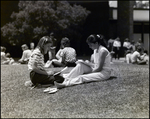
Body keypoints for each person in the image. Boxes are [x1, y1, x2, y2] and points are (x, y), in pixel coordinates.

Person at [46, 34, 111, 91]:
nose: (89, 47)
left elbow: (99, 68)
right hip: (97, 70)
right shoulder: (96, 49)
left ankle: (65, 84)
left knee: (82, 77)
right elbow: (94, 65)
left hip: (104, 73)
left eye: (91, 45)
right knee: (80, 65)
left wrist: (87, 72)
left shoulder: (103, 51)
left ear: (96, 43)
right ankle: (66, 79)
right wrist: (84, 63)